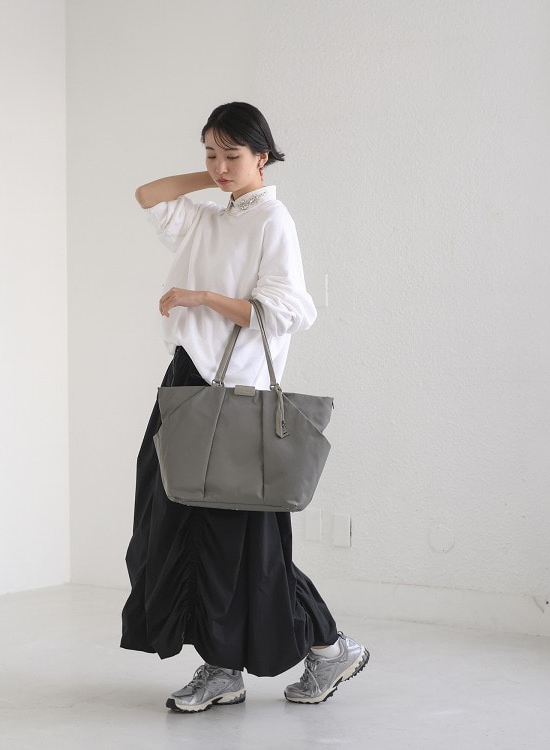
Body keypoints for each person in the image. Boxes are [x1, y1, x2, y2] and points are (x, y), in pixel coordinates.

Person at [121, 102, 369, 713]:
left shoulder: (272, 220)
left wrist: (202, 297)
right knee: (170, 525)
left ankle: (325, 647)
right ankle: (224, 667)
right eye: (211, 153)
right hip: (187, 382)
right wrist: (214, 178)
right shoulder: (211, 217)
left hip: (235, 390)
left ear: (264, 155)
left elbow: (284, 312)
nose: (220, 165)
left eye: (233, 154)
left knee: (241, 541)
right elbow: (147, 195)